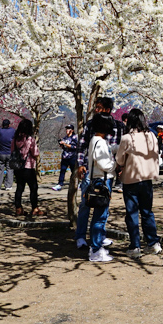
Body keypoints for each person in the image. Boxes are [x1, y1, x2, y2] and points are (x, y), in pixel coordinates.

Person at [75, 96, 124, 249]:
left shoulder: (119, 127)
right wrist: (80, 164)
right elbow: (82, 145)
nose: (96, 110)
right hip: (91, 171)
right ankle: (81, 237)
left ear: (108, 110)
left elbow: (119, 149)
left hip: (107, 175)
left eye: (99, 107)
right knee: (85, 204)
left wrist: (120, 166)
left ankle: (99, 236)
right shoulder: (91, 125)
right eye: (96, 107)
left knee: (103, 205)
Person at [114, 109, 162, 259]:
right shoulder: (152, 136)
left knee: (132, 213)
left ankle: (135, 246)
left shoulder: (127, 138)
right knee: (147, 212)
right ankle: (153, 243)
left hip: (131, 180)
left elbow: (119, 160)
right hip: (147, 180)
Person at [83, 113, 117, 262]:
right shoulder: (100, 142)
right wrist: (116, 165)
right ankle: (96, 249)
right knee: (100, 216)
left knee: (99, 215)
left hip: (97, 179)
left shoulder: (95, 140)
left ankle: (97, 248)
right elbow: (104, 164)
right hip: (102, 181)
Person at [12, 118, 43, 217]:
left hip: (17, 167)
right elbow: (35, 153)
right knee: (33, 188)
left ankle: (18, 208)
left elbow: (12, 151)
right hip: (28, 167)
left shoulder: (15, 139)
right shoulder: (30, 139)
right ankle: (35, 208)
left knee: (19, 188)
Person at [52, 124, 78, 191]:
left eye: (69, 129)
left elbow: (75, 147)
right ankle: (60, 184)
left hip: (72, 157)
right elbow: (64, 147)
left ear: (72, 130)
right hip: (65, 157)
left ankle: (76, 184)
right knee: (62, 171)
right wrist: (62, 145)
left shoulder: (74, 137)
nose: (67, 130)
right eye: (66, 129)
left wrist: (65, 144)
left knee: (73, 171)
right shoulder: (65, 138)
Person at [0, 119, 15, 191]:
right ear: (9, 124)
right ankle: (8, 186)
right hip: (10, 153)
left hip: (1, 153)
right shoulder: (12, 130)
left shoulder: (0, 131)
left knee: (0, 169)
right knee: (10, 169)